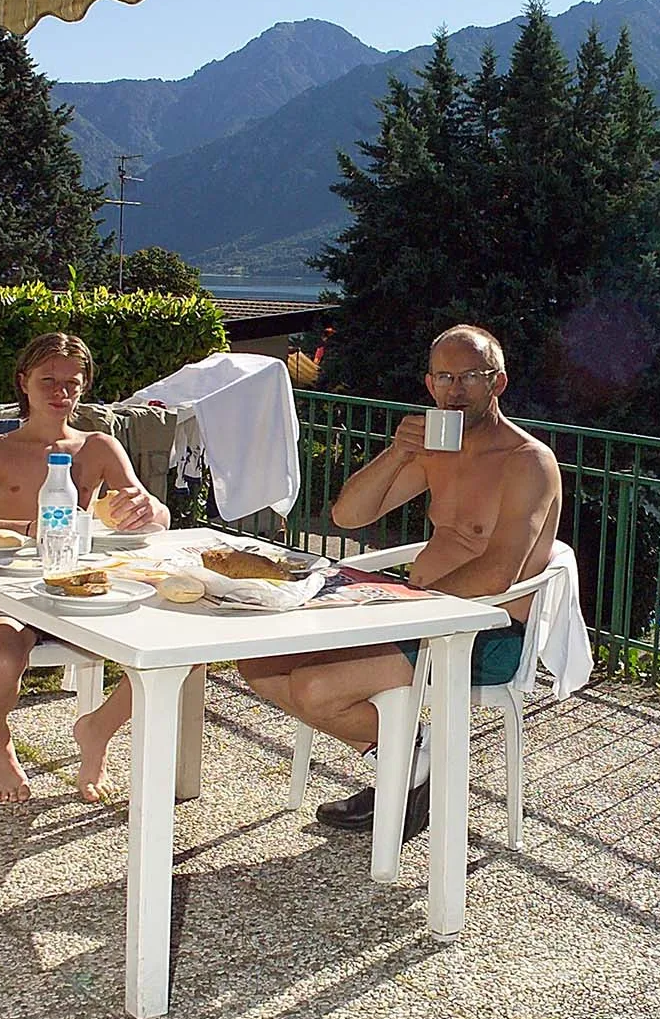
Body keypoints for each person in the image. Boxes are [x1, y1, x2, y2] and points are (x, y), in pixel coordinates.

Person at [239, 324, 561, 839]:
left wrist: (407, 607)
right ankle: (412, 759)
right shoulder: (436, 449)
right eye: (444, 378)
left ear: (497, 383)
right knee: (259, 663)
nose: (455, 391)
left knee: (316, 688)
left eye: (470, 377)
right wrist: (397, 453)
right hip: (418, 618)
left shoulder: (527, 463)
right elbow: (348, 515)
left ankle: (412, 763)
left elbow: (500, 569)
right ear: (429, 384)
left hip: (485, 632)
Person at [0, 332, 170, 804]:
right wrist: (26, 528)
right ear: (24, 382)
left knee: (180, 646)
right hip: (3, 588)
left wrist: (148, 509)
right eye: (48, 381)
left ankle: (98, 729)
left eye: (72, 383)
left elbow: (154, 514)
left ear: (84, 387)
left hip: (80, 586)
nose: (61, 393)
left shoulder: (98, 447)